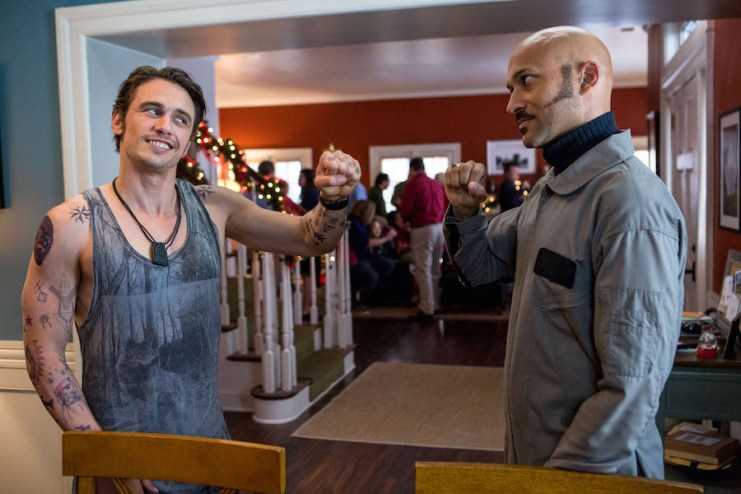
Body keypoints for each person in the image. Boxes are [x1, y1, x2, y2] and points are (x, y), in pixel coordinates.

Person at [20, 66, 360, 493]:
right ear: (118, 120)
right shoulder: (71, 224)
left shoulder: (214, 207)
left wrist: (334, 199)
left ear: (188, 139)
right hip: (119, 473)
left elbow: (310, 239)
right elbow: (43, 354)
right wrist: (108, 455)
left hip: (211, 459)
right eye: (152, 110)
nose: (166, 125)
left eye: (180, 119)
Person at [444, 27, 686, 479]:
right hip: (537, 463)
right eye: (510, 87)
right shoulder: (549, 191)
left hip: (590, 477)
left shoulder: (630, 203)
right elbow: (480, 266)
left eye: (526, 81)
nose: (511, 104)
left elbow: (631, 389)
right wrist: (464, 211)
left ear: (586, 77)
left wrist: (555, 482)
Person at [400, 157, 446, 322]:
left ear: (412, 169)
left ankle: (427, 308)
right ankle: (435, 304)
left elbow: (406, 209)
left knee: (423, 269)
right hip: (439, 228)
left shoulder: (413, 184)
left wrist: (405, 218)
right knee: (435, 269)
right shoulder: (436, 184)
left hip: (422, 228)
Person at [348, 201, 395, 306]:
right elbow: (366, 243)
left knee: (388, 264)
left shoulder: (360, 222)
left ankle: (375, 296)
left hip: (363, 256)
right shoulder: (354, 223)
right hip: (356, 258)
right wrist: (387, 238)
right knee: (373, 275)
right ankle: (361, 300)